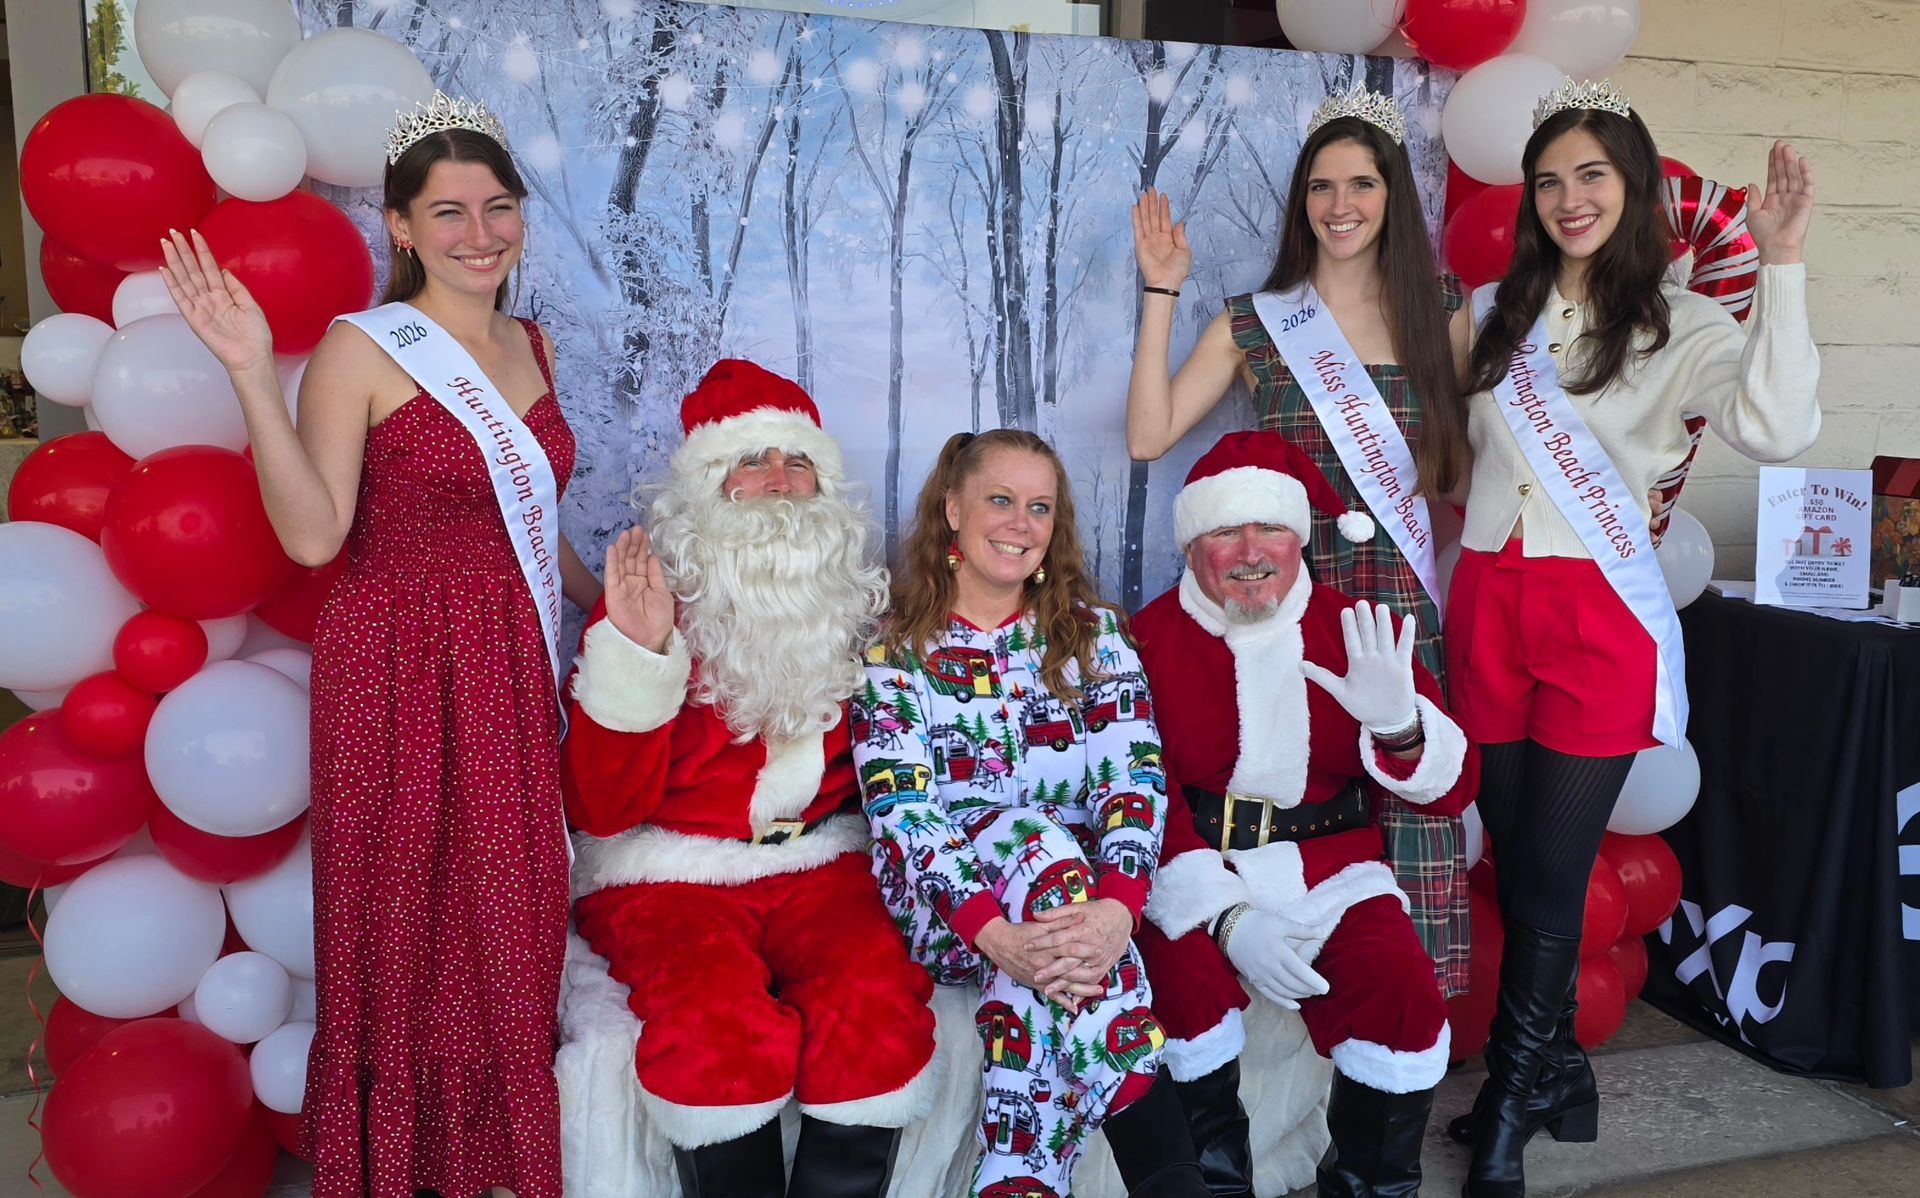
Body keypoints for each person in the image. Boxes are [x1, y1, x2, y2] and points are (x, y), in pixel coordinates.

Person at [160, 94, 601, 1198]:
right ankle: (398, 1167)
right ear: (399, 226)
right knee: (405, 924)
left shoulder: (530, 340)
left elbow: (532, 518)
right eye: (447, 211)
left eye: (499, 207)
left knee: (510, 913)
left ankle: (498, 1160)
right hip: (397, 666)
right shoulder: (365, 348)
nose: (479, 233)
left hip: (504, 661)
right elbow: (314, 534)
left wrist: (615, 599)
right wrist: (256, 375)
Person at [1446, 79, 1819, 1197]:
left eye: (1592, 176)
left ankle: (1511, 1095)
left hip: (1596, 617)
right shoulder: (1488, 311)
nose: (1569, 198)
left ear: (1636, 186)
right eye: (1550, 179)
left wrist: (1785, 262)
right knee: (1519, 864)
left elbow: (1781, 425)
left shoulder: (1686, 321)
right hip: (1489, 606)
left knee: (1554, 874)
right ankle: (1559, 1068)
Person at [1127, 85, 1476, 1002]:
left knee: (1412, 799)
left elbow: (1469, 471)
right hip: (1294, 608)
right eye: (1321, 186)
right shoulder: (1256, 321)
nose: (1341, 205)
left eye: (1362, 183)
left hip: (1397, 602)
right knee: (1301, 804)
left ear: (1393, 194)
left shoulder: (1441, 308)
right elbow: (1148, 434)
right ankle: (1280, 1009)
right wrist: (1162, 289)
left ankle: (1402, 1026)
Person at [560, 360, 938, 1198]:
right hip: (670, 876)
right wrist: (639, 657)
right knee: (713, 1031)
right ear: (707, 491)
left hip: (823, 865)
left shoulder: (857, 606)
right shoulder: (647, 605)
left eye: (796, 461)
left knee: (875, 1011)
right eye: (751, 462)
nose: (778, 481)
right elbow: (601, 810)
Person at [1093, 430, 1476, 1198]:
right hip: (1195, 867)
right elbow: (1131, 795)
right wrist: (1227, 918)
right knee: (1183, 999)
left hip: (1336, 869)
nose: (1250, 549)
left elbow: (1452, 790)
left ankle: (1369, 1185)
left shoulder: (1355, 629)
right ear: (1193, 545)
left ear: (1298, 537)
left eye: (1269, 527)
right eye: (1225, 530)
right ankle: (1214, 1184)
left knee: (1402, 996)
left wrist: (1400, 726)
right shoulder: (1146, 642)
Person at [852, 429, 1208, 1198]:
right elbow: (904, 812)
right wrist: (992, 931)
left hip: (1076, 911)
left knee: (1039, 969)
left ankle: (1016, 1182)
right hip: (950, 916)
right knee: (1032, 840)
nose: (1020, 523)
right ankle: (1174, 1177)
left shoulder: (1094, 636)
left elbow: (1134, 781)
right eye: (1001, 501)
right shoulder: (894, 654)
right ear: (953, 510)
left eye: (1039, 507)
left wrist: (1118, 907)